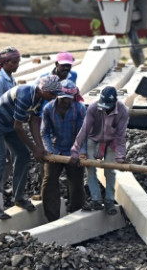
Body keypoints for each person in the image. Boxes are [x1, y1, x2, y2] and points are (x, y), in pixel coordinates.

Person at [0, 75, 59, 219]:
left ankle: (18, 197)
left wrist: (40, 147)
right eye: (52, 94)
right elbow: (19, 127)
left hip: (8, 125)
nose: (54, 97)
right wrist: (34, 149)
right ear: (42, 90)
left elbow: (33, 123)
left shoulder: (40, 99)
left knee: (23, 156)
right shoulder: (25, 94)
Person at [70, 86, 128, 215]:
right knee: (90, 168)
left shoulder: (122, 110)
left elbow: (120, 136)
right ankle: (96, 200)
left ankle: (109, 201)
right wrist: (76, 149)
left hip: (111, 141)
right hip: (93, 139)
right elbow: (84, 130)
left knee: (110, 171)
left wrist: (120, 157)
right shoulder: (93, 108)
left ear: (115, 102)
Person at [40, 80, 87, 222]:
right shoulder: (48, 109)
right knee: (49, 182)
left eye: (69, 99)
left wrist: (81, 152)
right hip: (56, 149)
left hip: (74, 149)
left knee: (76, 183)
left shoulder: (79, 109)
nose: (67, 101)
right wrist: (49, 151)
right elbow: (45, 132)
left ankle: (76, 212)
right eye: (64, 98)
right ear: (58, 96)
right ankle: (52, 217)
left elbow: (83, 133)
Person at [0, 46, 21, 209]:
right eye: (14, 62)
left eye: (18, 62)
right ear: (6, 63)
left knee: (9, 161)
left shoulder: (10, 78)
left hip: (7, 125)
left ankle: (0, 189)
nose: (17, 65)